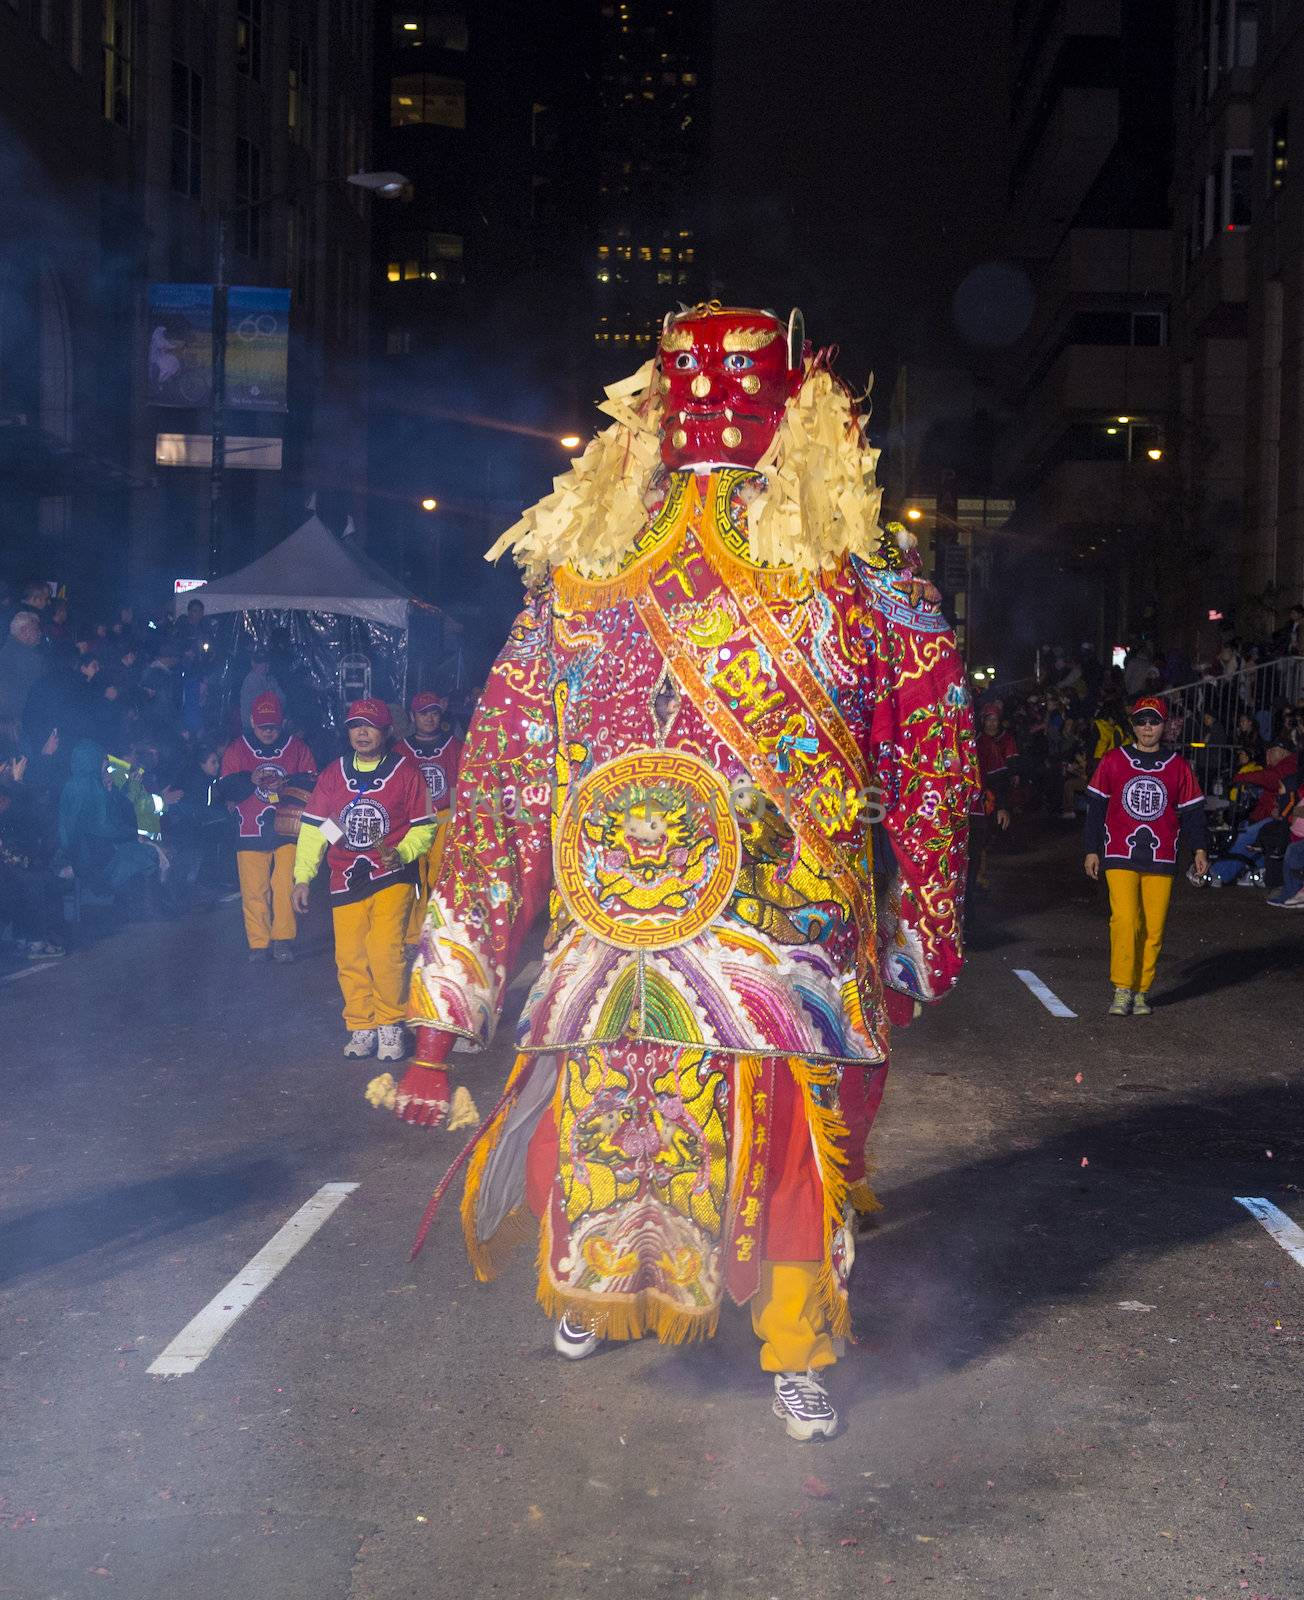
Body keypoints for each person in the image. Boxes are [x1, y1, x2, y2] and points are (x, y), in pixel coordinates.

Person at [372, 303, 978, 1443]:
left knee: (777, 1151)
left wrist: (918, 929)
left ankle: (792, 1342)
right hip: (634, 938)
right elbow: (501, 786)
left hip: (772, 945)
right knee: (615, 1132)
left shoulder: (844, 573)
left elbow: (931, 760)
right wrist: (435, 1023)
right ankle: (637, 1300)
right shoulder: (597, 574)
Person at [292, 699, 438, 1061]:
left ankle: (390, 1025)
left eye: (370, 726)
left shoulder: (406, 773)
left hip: (392, 875)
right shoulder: (333, 774)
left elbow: (424, 827)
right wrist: (302, 877)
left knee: (384, 953)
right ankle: (361, 1025)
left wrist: (402, 853)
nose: (361, 732)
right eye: (355, 725)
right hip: (344, 877)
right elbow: (314, 829)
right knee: (350, 957)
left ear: (387, 732)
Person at [1084, 696, 1209, 1016]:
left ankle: (1141, 990)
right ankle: (1122, 989)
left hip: (1162, 855)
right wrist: (1091, 849)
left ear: (1164, 726)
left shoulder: (1178, 766)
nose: (1147, 727)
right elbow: (1096, 808)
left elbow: (1193, 811)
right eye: (1141, 721)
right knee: (1125, 919)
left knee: (1153, 927)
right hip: (1118, 851)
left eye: (1154, 721)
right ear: (1133, 725)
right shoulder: (1113, 760)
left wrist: (1199, 848)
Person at [218, 692, 317, 962]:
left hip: (287, 828)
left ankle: (282, 939)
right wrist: (249, 779)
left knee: (285, 884)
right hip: (249, 829)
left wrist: (288, 782)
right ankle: (258, 944)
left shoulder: (296, 747)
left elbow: (312, 780)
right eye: (262, 726)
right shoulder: (238, 749)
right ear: (251, 721)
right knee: (253, 889)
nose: (268, 731)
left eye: (273, 726)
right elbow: (224, 787)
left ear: (282, 722)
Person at [57, 738, 161, 911]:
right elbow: (104, 828)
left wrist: (112, 792)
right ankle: (144, 910)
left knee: (146, 851)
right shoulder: (86, 787)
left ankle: (141, 908)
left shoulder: (84, 785)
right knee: (145, 853)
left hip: (90, 851)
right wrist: (134, 835)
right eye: (103, 763)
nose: (107, 768)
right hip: (90, 855)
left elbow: (113, 821)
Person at [397, 691, 463, 946]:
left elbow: (461, 784)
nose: (429, 718)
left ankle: (438, 933)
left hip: (444, 817)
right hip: (412, 820)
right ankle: (414, 937)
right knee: (414, 877)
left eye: (434, 712)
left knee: (440, 875)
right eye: (423, 713)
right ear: (413, 716)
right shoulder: (401, 749)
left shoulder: (454, 746)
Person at [1205, 740, 1299, 886]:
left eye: (1271, 751)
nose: (1267, 755)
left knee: (1247, 834)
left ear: (1281, 752)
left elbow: (1271, 779)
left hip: (1284, 818)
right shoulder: (1281, 766)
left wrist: (1240, 778)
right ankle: (1254, 870)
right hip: (1273, 815)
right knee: (1244, 829)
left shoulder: (1288, 765)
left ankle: (1218, 873)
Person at [0, 612, 48, 731]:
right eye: (36, 629)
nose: (40, 634)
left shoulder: (4, 650)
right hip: (20, 723)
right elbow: (42, 690)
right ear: (24, 630)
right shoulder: (32, 659)